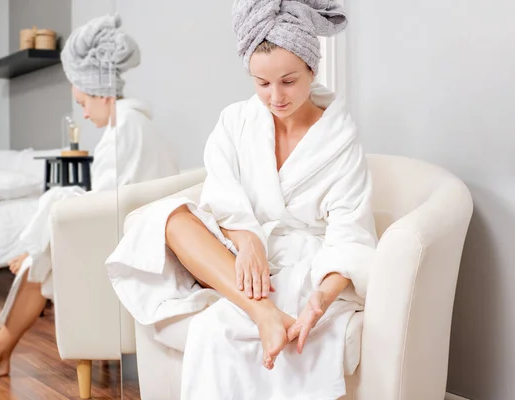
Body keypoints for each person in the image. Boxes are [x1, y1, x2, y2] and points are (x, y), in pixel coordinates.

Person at [105, 0, 378, 398]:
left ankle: (263, 310)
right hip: (238, 255)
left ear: (311, 69)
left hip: (301, 262)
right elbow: (221, 197)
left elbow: (350, 238)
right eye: (261, 83)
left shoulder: (340, 141)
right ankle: (263, 312)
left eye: (288, 81)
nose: (275, 97)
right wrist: (248, 241)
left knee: (215, 329)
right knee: (167, 216)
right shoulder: (235, 122)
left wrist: (321, 296)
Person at [0, 14, 179, 380]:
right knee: (47, 238)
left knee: (43, 247)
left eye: (84, 102)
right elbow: (104, 203)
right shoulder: (135, 125)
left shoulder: (126, 130)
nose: (83, 114)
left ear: (102, 94)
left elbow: (100, 208)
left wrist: (41, 243)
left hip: (136, 248)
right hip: (133, 237)